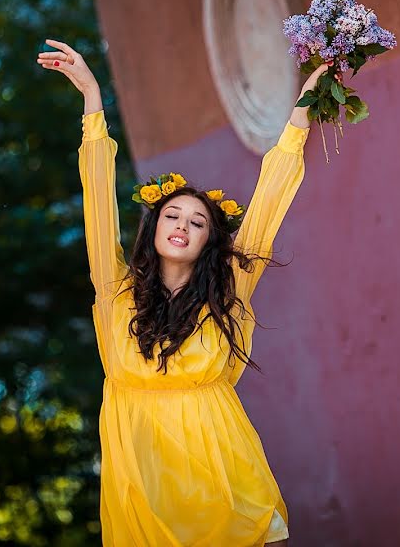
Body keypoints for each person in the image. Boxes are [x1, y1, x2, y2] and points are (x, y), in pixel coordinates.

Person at [38, 38, 327, 546]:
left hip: (221, 462)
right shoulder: (114, 290)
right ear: (153, 226)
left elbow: (266, 205)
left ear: (208, 242)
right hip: (143, 472)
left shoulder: (229, 289)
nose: (182, 225)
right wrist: (91, 99)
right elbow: (98, 197)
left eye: (196, 222)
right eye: (171, 215)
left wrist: (303, 110)